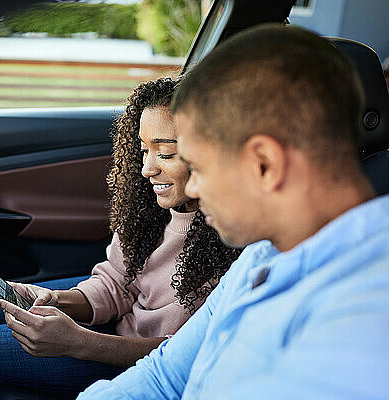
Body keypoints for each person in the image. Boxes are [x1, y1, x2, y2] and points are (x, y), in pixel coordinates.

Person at [72, 24, 389, 399]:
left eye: (200, 167)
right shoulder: (259, 257)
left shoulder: (363, 318)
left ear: (264, 164)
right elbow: (163, 377)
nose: (191, 187)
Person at [0, 77, 240, 398]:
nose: (147, 168)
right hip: (117, 325)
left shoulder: (237, 241)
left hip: (135, 362)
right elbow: (118, 282)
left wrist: (78, 342)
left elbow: (182, 359)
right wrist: (58, 300)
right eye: (144, 150)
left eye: (165, 153)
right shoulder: (154, 207)